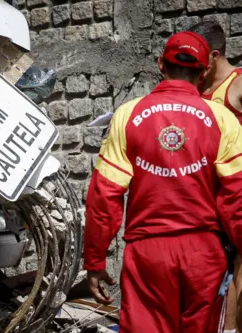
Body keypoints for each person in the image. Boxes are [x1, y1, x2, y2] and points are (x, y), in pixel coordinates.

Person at [84, 31, 242, 333]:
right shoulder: (222, 118)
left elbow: (104, 196)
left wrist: (95, 261)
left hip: (147, 256)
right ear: (205, 70)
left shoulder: (127, 114)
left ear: (160, 64)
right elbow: (237, 196)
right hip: (204, 254)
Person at [188, 20, 242, 333]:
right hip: (202, 199)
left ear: (215, 55)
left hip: (233, 193)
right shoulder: (194, 88)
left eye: (199, 55)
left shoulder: (237, 84)